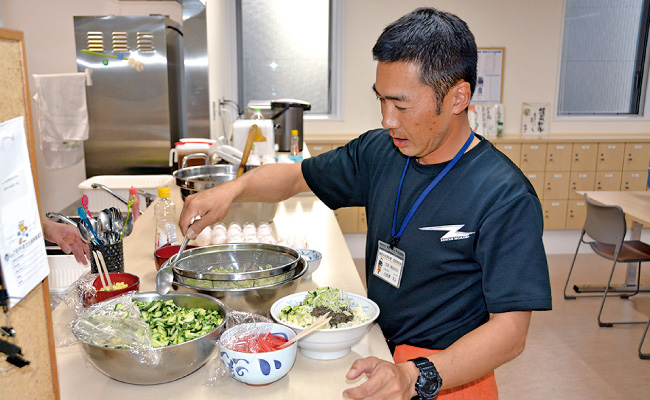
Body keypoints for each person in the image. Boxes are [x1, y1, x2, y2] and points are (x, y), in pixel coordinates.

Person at [179, 7, 551, 400]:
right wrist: (229, 191)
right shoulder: (381, 151)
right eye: (381, 100)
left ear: (458, 96)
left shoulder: (503, 195)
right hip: (381, 348)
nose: (388, 119)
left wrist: (415, 375)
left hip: (449, 371)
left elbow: (510, 332)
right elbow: (294, 177)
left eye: (402, 105)